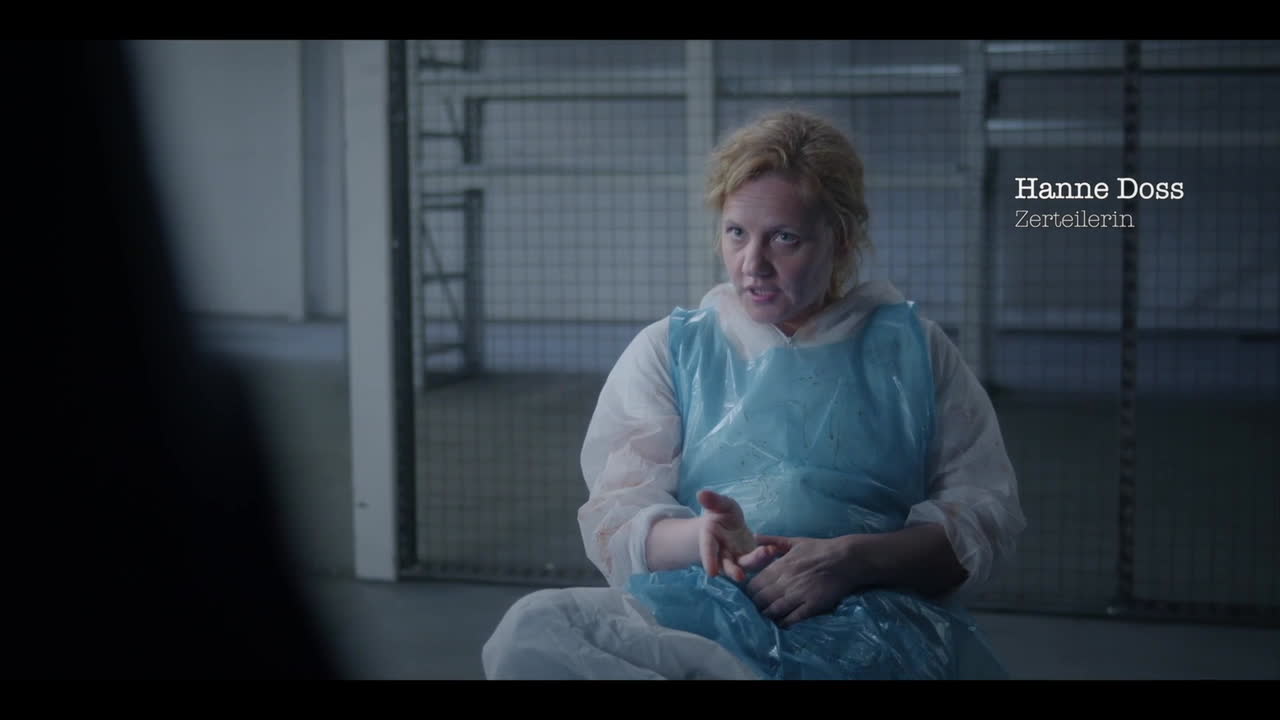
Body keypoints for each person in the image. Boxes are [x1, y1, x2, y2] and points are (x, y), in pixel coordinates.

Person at [482, 110, 1026, 680]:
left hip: (871, 624)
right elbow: (617, 516)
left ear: (841, 239)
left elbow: (984, 515)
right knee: (533, 630)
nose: (753, 265)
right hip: (704, 611)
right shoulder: (674, 349)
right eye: (737, 233)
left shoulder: (913, 351)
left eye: (784, 238)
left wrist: (854, 561)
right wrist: (701, 537)